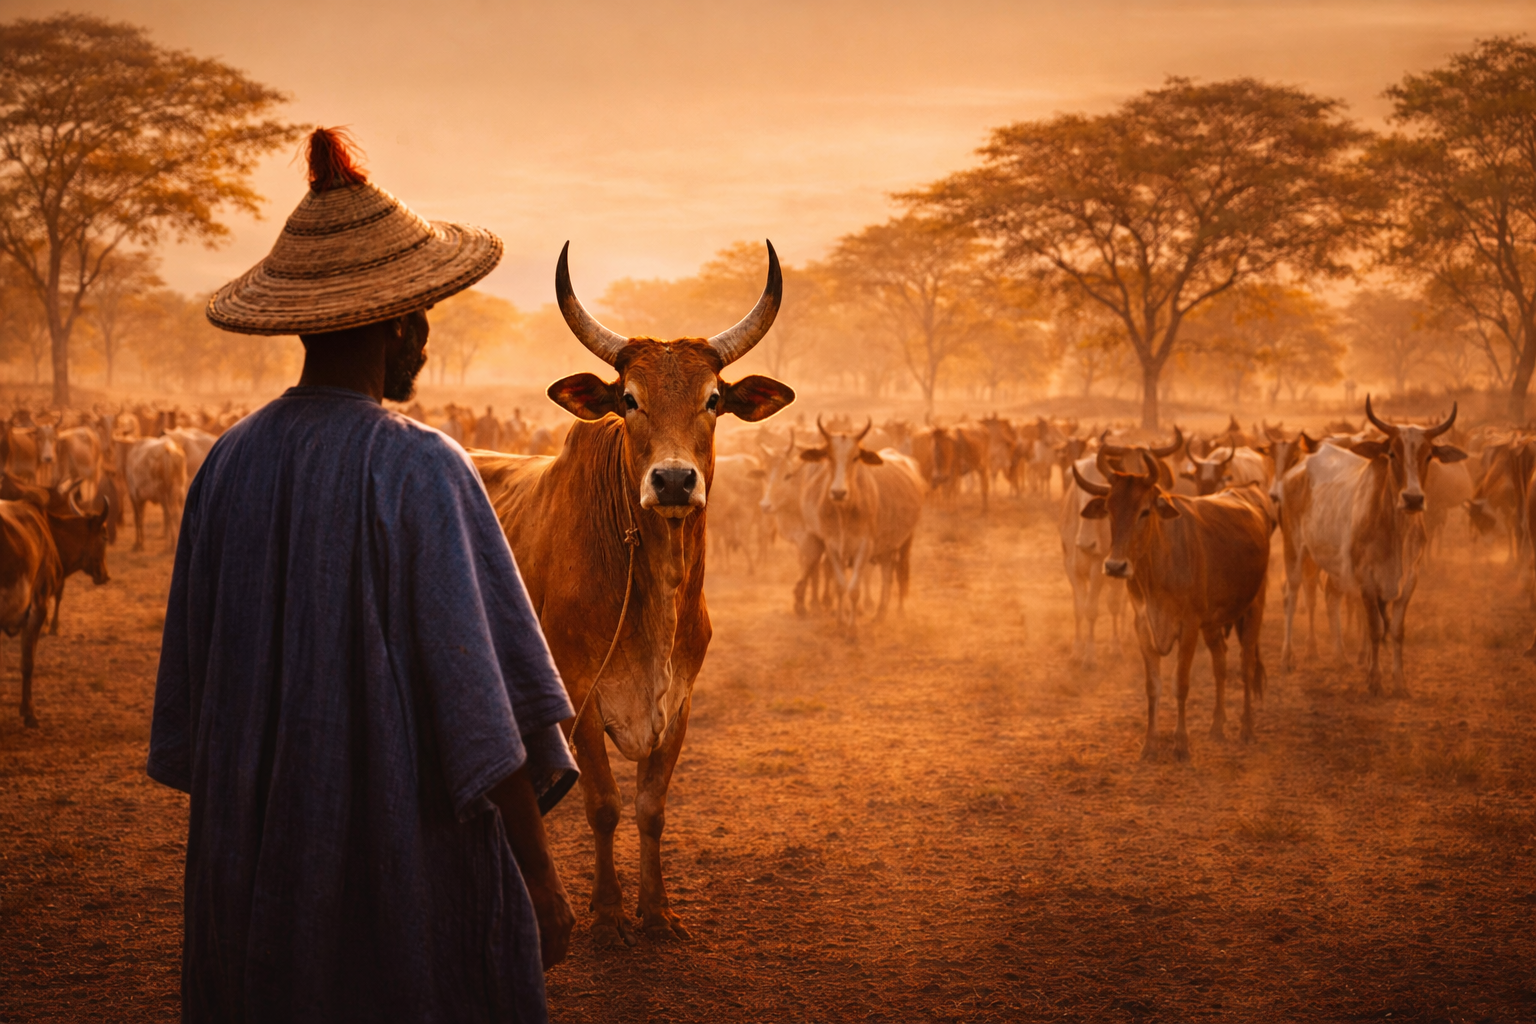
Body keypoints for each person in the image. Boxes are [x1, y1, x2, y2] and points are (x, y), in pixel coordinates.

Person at [147, 128, 578, 1023]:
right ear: (403, 323)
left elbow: (193, 695)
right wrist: (539, 878)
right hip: (393, 863)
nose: (424, 339)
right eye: (421, 322)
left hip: (250, 864)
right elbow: (479, 694)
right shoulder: (421, 464)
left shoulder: (226, 462)